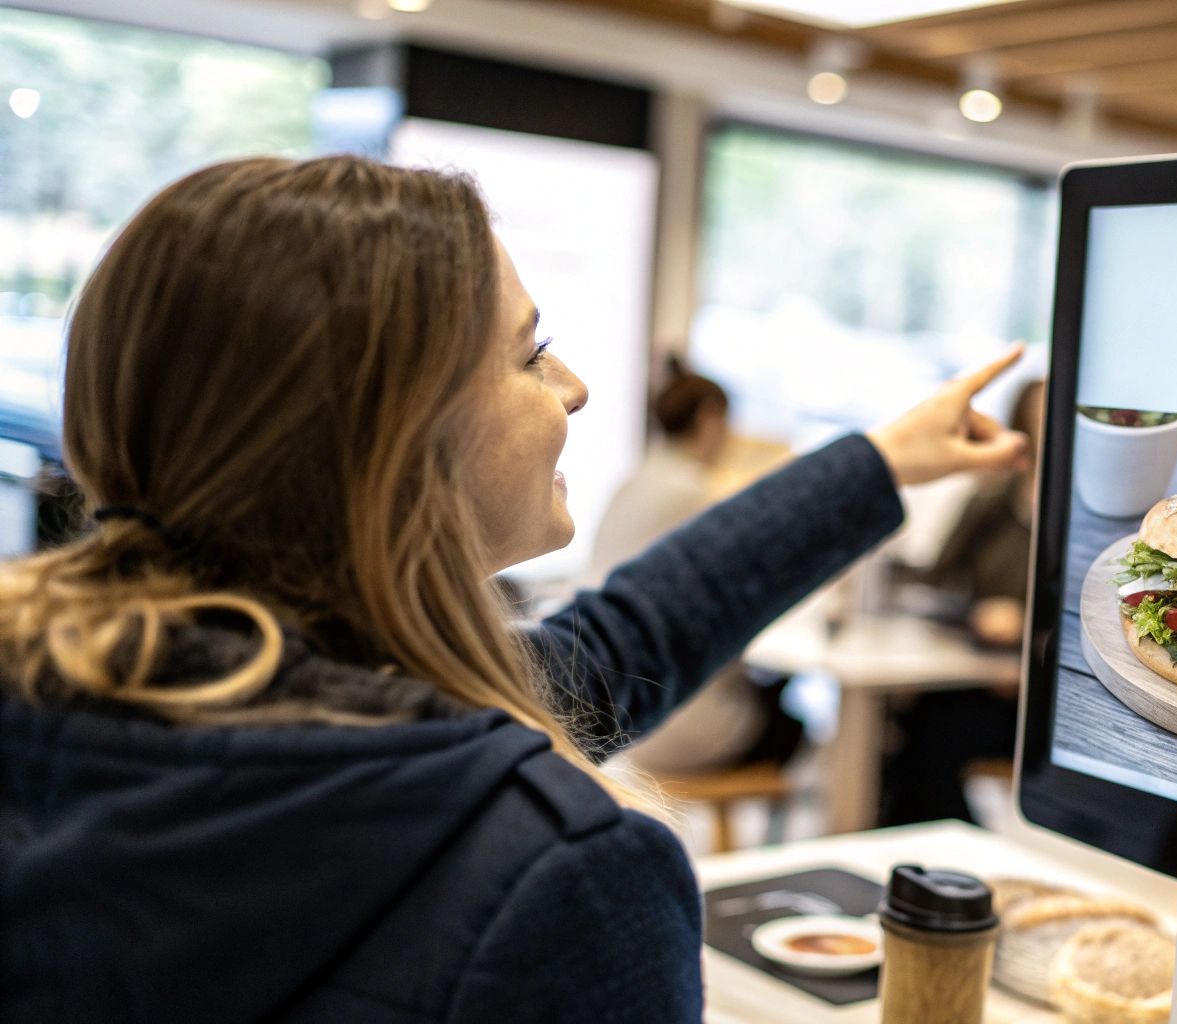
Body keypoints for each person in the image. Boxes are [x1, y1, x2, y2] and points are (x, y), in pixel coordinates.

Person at [0, 156, 1026, 1023]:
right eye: (531, 352)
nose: (573, 384)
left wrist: (878, 463)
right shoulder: (556, 870)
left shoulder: (84, 701)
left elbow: (611, 644)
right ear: (397, 443)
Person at [585, 358, 802, 774]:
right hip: (673, 720)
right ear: (710, 418)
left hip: (615, 712)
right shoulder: (697, 495)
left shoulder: (631, 484)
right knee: (788, 722)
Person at [879, 378, 1043, 826]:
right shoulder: (992, 502)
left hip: (1032, 696)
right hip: (970, 672)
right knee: (900, 730)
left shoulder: (1082, 518)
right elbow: (935, 582)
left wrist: (1030, 626)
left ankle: (945, 847)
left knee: (931, 740)